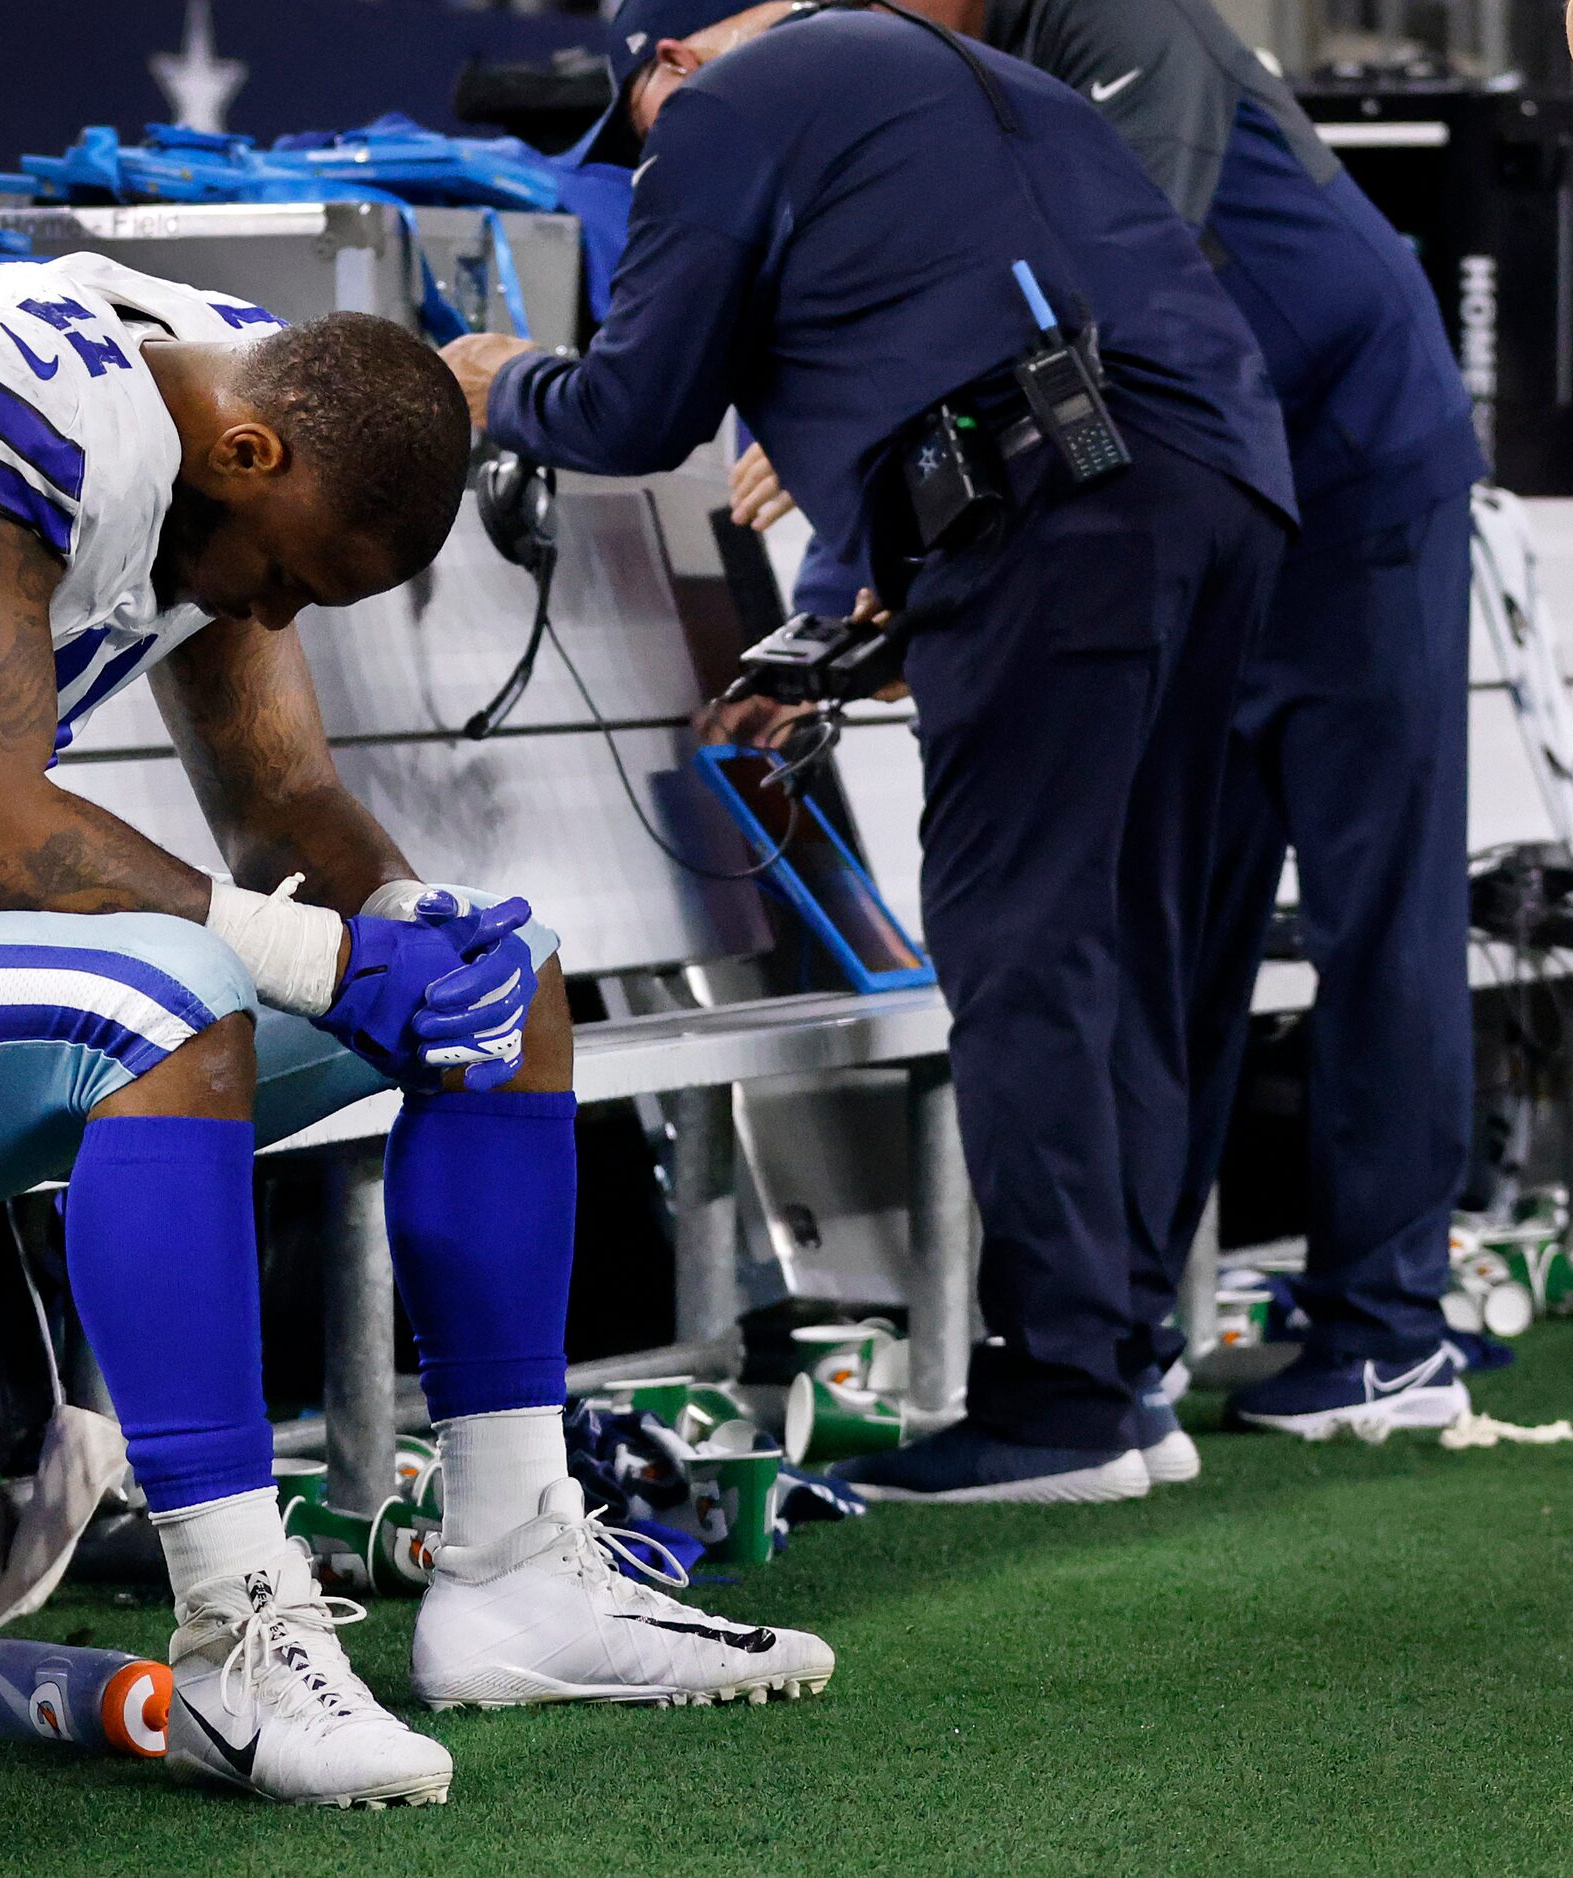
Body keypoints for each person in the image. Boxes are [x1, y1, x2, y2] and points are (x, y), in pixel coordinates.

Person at [0, 250, 834, 1807]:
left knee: (510, 980)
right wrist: (314, 952)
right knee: (171, 993)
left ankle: (516, 1570)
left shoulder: (242, 420)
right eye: (290, 575)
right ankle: (236, 1635)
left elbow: (282, 810)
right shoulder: (18, 391)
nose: (269, 606)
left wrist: (397, 929)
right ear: (250, 455)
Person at [444, 0, 1295, 1503]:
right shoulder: (970, 73)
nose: (638, 151)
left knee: (1016, 938)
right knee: (1128, 930)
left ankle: (1064, 1404)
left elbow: (639, 406)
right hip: (1216, 483)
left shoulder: (718, 109)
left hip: (1061, 512)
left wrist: (499, 379)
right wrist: (889, 593)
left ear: (670, 61)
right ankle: (1122, 1370)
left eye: (627, 119)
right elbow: (990, 320)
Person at [737, 0, 1485, 1454]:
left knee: (1371, 908)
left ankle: (1388, 1330)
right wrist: (845, 607)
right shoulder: (936, 74)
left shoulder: (1115, 17)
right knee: (1165, 924)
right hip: (1199, 502)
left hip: (1350, 484)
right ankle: (1116, 1343)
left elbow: (1079, 303)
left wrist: (875, 537)